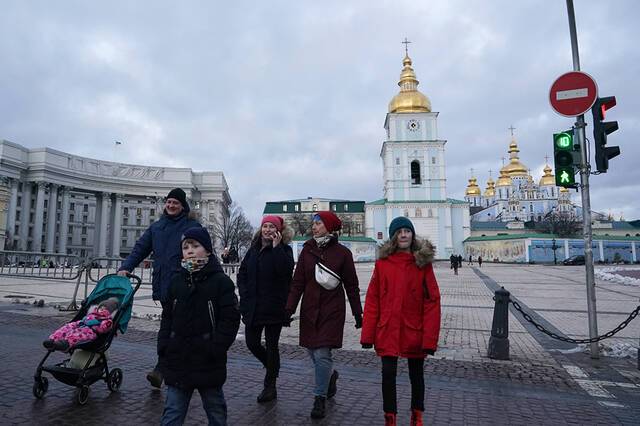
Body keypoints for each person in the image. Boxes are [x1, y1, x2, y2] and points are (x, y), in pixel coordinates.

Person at [360, 217, 441, 426]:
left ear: (412, 235)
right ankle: (390, 418)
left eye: (407, 231)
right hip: (387, 329)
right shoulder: (383, 264)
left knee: (416, 376)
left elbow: (432, 301)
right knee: (388, 376)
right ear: (393, 237)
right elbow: (373, 299)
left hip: (414, 330)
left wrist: (430, 339)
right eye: (399, 231)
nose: (403, 235)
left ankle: (417, 416)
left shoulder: (422, 264)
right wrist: (368, 334)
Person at [117, 188, 201, 388]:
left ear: (183, 206)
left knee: (175, 328)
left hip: (184, 289)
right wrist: (126, 267)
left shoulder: (191, 227)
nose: (171, 206)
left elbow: (199, 255)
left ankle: (162, 368)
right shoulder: (157, 228)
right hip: (164, 287)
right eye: (169, 202)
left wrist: (188, 279)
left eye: (176, 203)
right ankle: (166, 366)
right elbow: (140, 249)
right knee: (169, 328)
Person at [158, 227, 240, 426]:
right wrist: (164, 345)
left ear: (209, 251)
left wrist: (216, 347)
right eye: (186, 247)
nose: (190, 251)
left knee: (215, 411)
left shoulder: (221, 282)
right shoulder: (177, 281)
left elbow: (230, 320)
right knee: (172, 413)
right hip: (179, 358)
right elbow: (167, 317)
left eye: (195, 246)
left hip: (208, 359)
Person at [285, 211, 363, 419]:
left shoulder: (342, 254)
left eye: (318, 223)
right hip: (310, 310)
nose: (314, 227)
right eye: (314, 223)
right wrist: (289, 309)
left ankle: (319, 398)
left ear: (329, 226)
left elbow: (352, 285)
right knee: (312, 351)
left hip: (332, 310)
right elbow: (298, 282)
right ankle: (329, 379)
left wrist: (358, 313)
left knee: (321, 353)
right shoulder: (307, 250)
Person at [237, 215, 294, 403]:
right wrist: (244, 296)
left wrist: (277, 248)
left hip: (274, 307)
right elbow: (243, 273)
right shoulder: (253, 250)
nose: (268, 230)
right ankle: (272, 367)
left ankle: (270, 386)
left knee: (272, 346)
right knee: (252, 343)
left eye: (271, 227)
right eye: (265, 226)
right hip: (253, 306)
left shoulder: (285, 250)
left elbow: (285, 272)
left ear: (278, 230)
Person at [43, 297, 120, 351]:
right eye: (101, 307)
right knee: (67, 327)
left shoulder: (106, 320)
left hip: (90, 331)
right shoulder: (92, 313)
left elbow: (103, 329)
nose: (102, 310)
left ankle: (66, 344)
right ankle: (53, 339)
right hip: (80, 324)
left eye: (105, 309)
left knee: (77, 335)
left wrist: (106, 325)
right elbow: (84, 319)